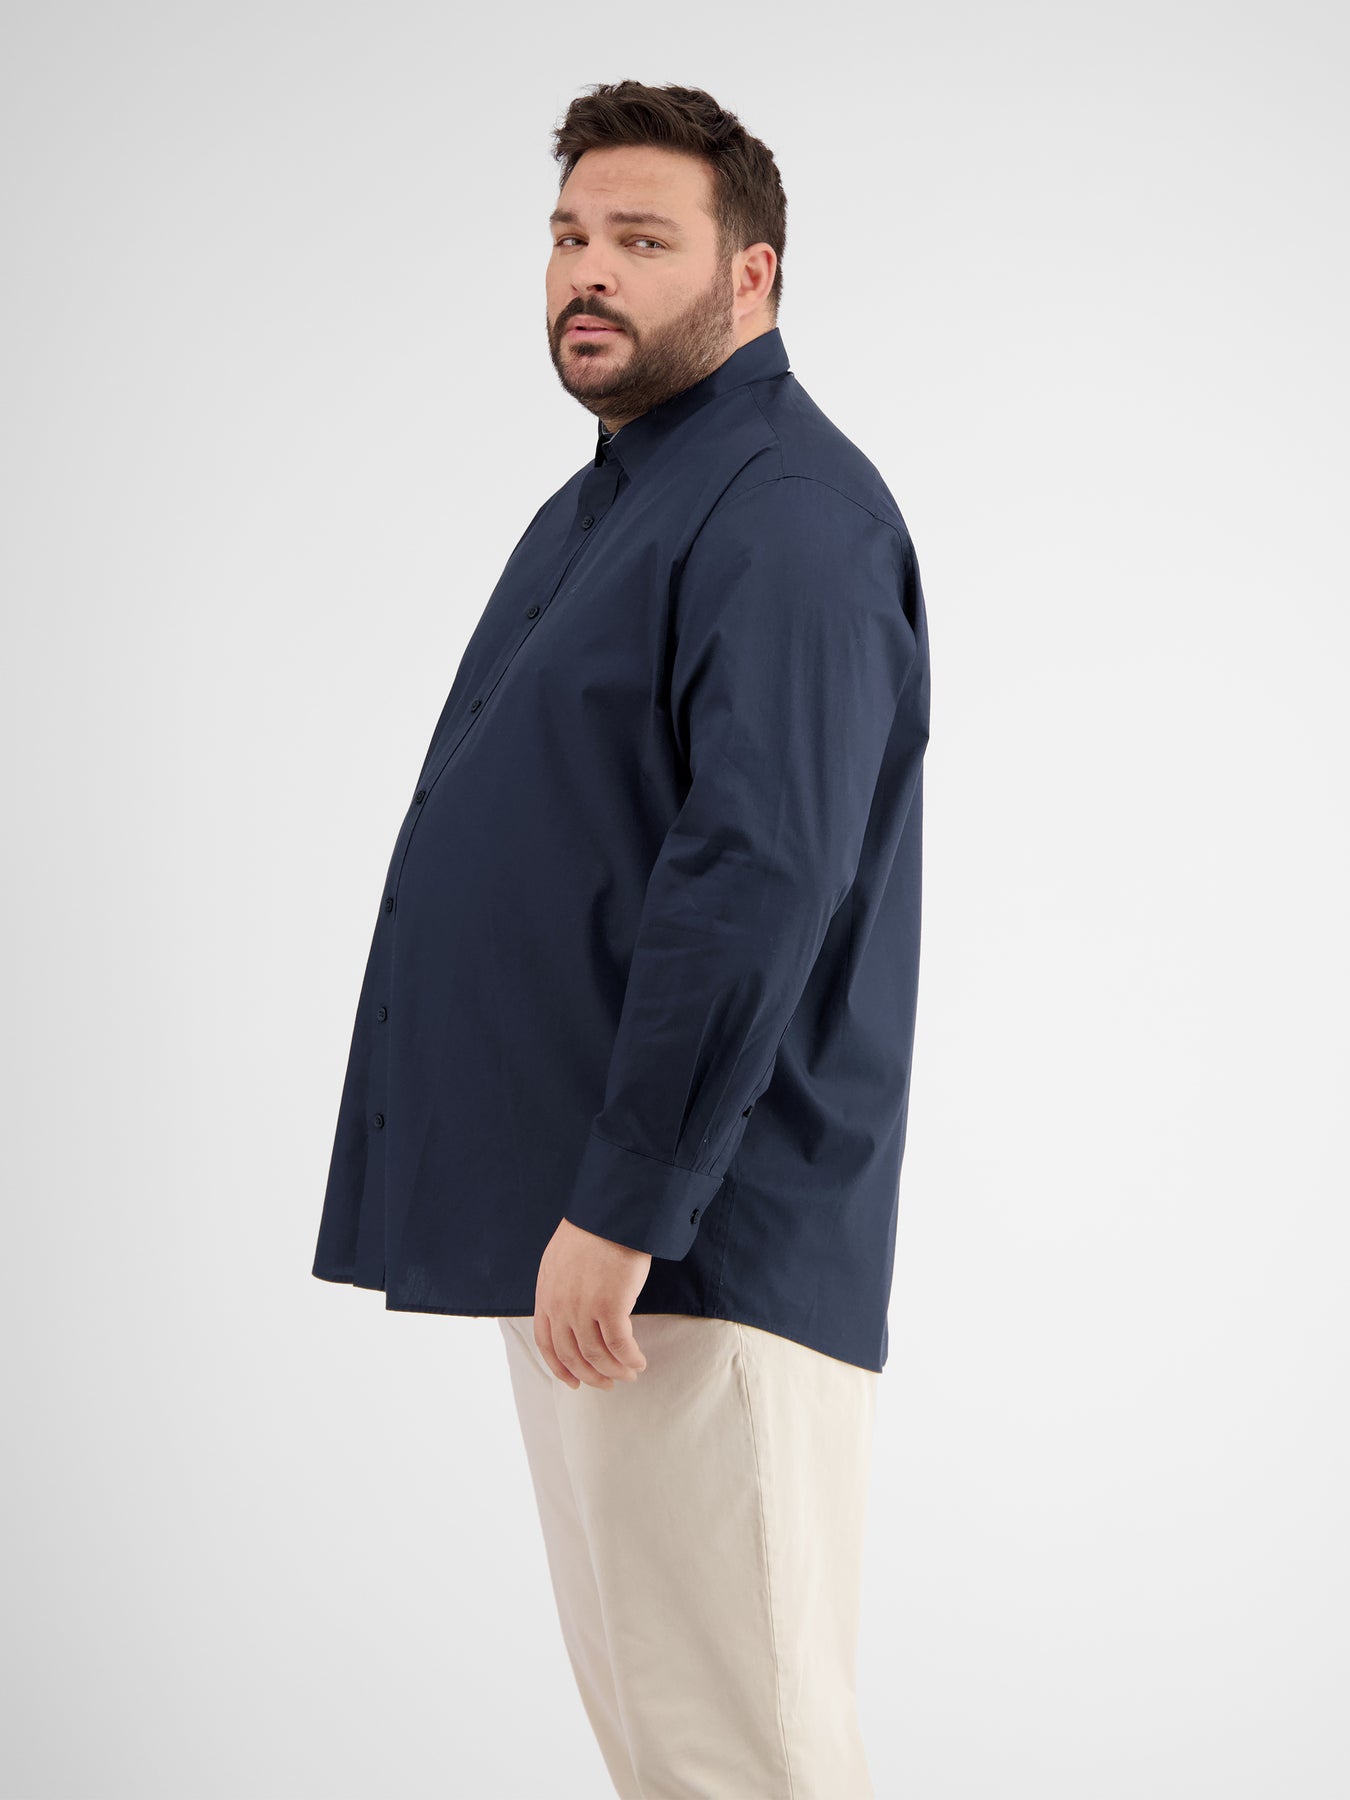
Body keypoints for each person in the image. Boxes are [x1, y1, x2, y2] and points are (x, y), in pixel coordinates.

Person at [313, 77, 931, 1799]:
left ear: (753, 276)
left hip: (686, 1248)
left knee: (741, 1756)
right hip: (601, 1237)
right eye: (571, 236)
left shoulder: (781, 511)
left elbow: (757, 873)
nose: (588, 272)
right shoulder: (623, 500)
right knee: (671, 1753)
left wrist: (628, 1202)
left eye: (642, 240)